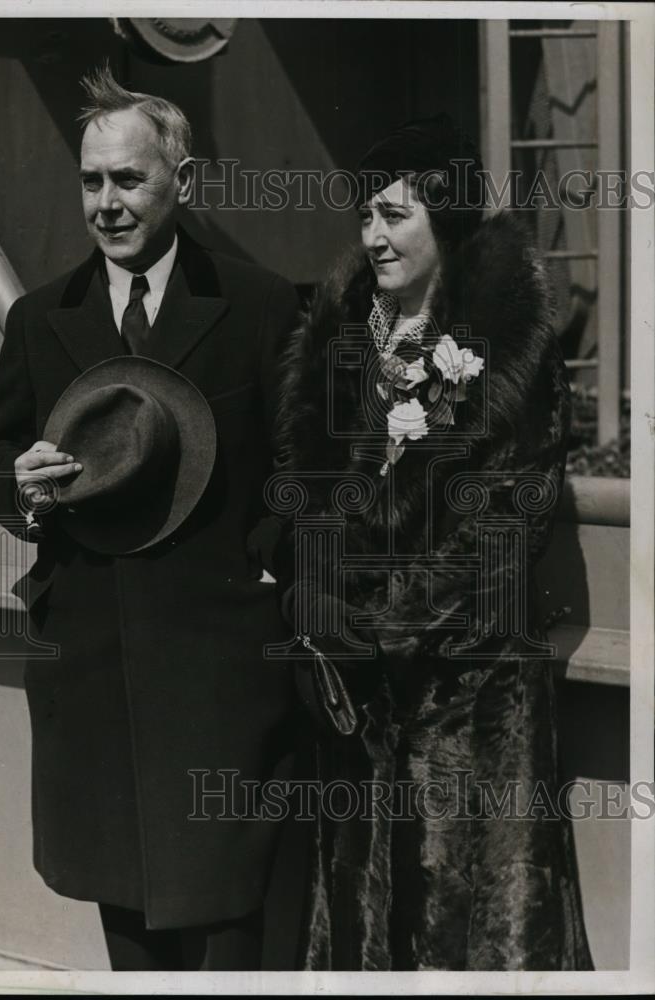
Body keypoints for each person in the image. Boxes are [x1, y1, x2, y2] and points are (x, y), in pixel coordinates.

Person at [0, 67, 301, 972]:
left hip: (217, 676)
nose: (106, 205)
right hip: (95, 669)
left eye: (128, 180)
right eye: (90, 182)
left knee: (233, 917)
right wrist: (23, 485)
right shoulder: (42, 319)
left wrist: (260, 572)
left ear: (180, 185)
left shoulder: (261, 306)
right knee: (128, 915)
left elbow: (301, 469)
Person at [272, 114, 593, 970]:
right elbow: (310, 490)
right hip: (361, 709)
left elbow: (502, 531)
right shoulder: (343, 341)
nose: (372, 237)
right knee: (364, 926)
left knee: (468, 927)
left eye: (393, 215)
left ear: (442, 220)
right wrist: (315, 598)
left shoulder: (510, 352)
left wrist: (374, 621)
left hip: (470, 703)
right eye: (364, 219)